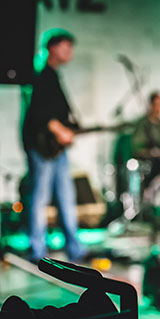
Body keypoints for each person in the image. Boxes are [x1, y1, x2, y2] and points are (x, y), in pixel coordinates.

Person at [22, 28, 87, 263]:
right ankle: (38, 250)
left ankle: (74, 248)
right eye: (66, 46)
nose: (69, 52)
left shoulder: (54, 76)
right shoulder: (41, 76)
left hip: (56, 150)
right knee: (40, 197)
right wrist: (60, 130)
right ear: (52, 48)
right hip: (42, 148)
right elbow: (39, 113)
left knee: (66, 196)